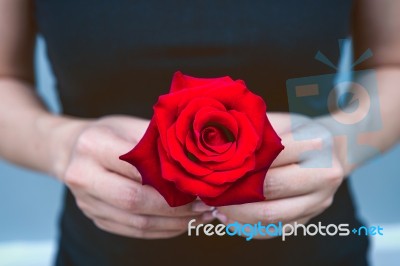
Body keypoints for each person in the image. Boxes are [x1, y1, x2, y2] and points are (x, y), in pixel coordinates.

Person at [0, 0, 399, 265]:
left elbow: (391, 66)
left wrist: (338, 144)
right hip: (101, 252)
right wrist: (62, 145)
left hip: (312, 246)